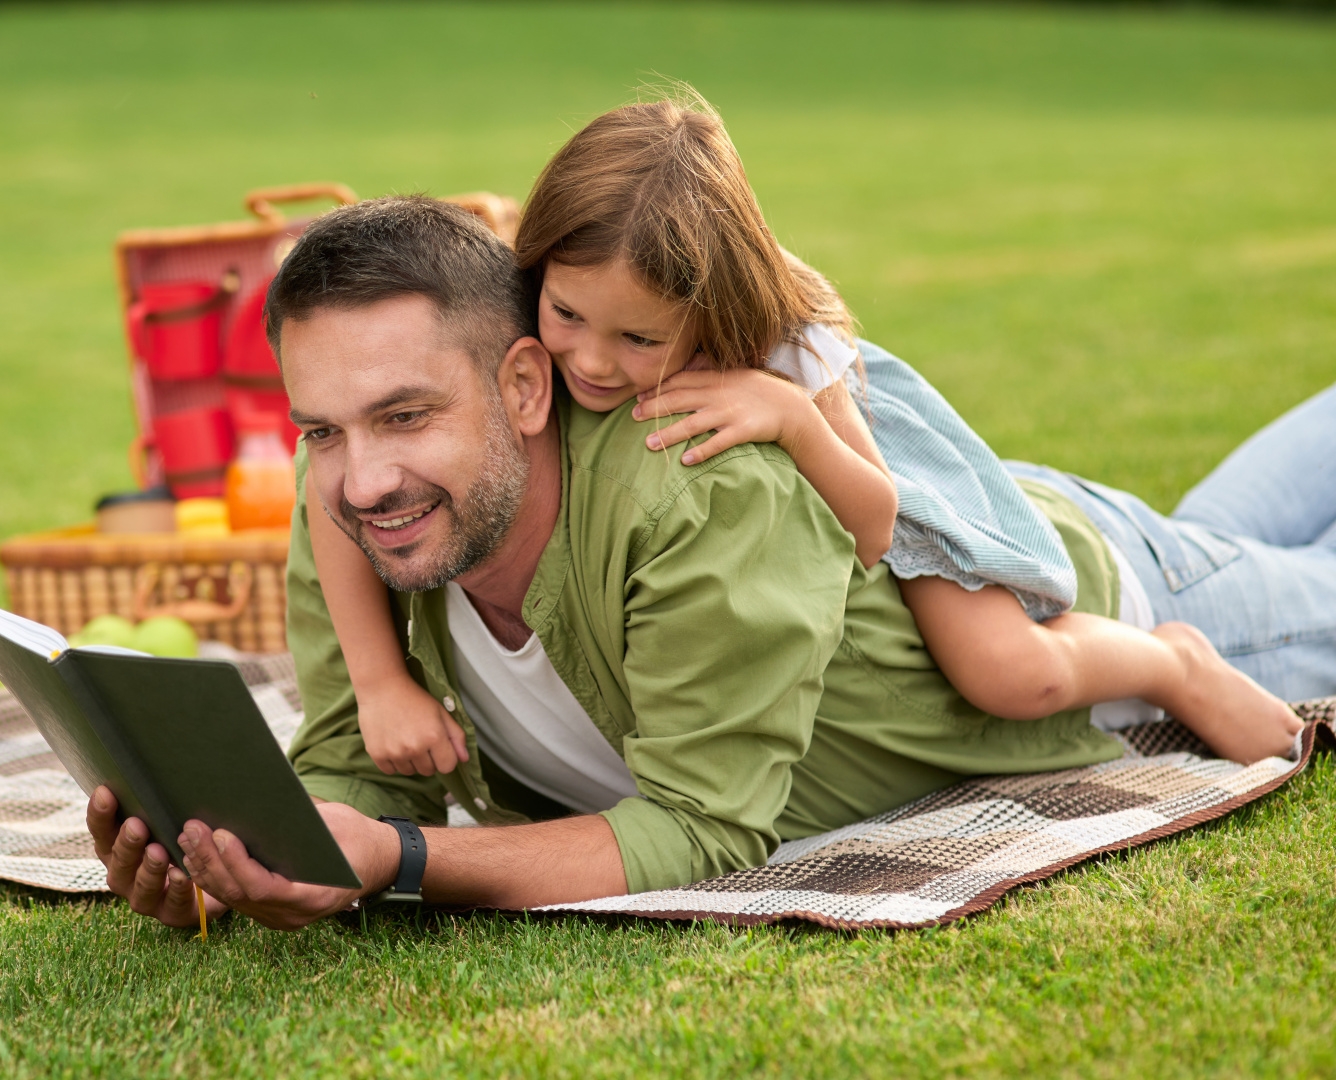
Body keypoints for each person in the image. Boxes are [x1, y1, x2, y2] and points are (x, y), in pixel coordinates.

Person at [87, 195, 1328, 932]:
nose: (361, 479)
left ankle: (1178, 665)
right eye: (325, 429)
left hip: (1107, 593)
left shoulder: (695, 484)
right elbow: (359, 766)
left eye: (407, 417)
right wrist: (242, 864)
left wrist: (404, 865)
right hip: (1036, 526)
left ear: (524, 384)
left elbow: (703, 833)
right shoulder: (356, 506)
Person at [309, 92, 1300, 781]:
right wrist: (379, 682)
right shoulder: (550, 304)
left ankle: (1174, 662)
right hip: (1077, 515)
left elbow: (873, 524)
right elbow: (329, 488)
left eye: (641, 340)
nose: (594, 363)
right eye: (570, 318)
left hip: (900, 482)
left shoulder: (786, 344)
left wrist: (789, 416)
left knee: (1011, 671)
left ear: (708, 311)